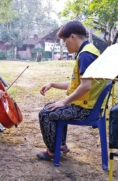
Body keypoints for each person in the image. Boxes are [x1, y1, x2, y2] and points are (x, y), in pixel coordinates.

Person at [36, 20, 107, 160]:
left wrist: (64, 102)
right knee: (49, 107)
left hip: (86, 109)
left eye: (64, 40)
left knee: (45, 113)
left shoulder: (85, 55)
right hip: (89, 105)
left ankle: (53, 151)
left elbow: (86, 86)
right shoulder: (90, 51)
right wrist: (53, 84)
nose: (64, 44)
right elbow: (77, 84)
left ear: (73, 37)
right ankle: (60, 145)